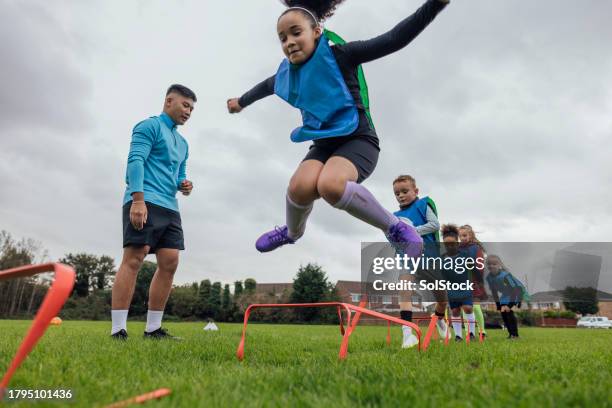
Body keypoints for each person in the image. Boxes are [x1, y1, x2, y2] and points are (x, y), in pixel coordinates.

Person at [226, 0, 449, 257]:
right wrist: (240, 102)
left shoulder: (341, 55)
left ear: (316, 31)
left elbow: (393, 39)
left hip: (358, 139)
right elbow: (264, 87)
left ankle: (395, 227)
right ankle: (291, 232)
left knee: (330, 185)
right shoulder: (287, 75)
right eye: (283, 38)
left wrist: (434, 6)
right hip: (324, 144)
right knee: (299, 186)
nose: (289, 42)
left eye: (296, 33)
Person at [110, 84, 196, 340]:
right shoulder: (148, 126)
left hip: (170, 207)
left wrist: (185, 184)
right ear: (169, 101)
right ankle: (118, 329)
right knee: (134, 259)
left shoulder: (183, 143)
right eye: (184, 105)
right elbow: (135, 161)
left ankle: (153, 329)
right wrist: (138, 200)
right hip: (143, 200)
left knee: (170, 262)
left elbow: (179, 175)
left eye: (191, 108)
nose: (188, 112)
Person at [392, 175, 447, 348]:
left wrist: (412, 231)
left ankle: (439, 319)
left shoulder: (423, 204)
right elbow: (393, 238)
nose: (401, 195)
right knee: (404, 289)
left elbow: (434, 224)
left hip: (430, 257)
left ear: (416, 191)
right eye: (397, 193)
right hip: (408, 258)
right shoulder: (394, 217)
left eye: (405, 191)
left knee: (442, 298)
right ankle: (407, 336)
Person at [442, 224, 477, 342]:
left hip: (465, 286)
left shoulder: (465, 255)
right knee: (455, 311)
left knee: (467, 308)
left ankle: (471, 333)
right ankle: (458, 336)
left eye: (452, 243)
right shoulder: (442, 258)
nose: (449, 246)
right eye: (447, 244)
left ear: (457, 243)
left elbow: (473, 269)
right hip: (451, 289)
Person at [486, 254, 529, 339]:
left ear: (500, 265)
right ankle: (510, 334)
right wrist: (498, 305)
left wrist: (512, 304)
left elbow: (516, 290)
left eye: (494, 264)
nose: (491, 266)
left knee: (508, 312)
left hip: (517, 292)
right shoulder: (489, 277)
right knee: (503, 313)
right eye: (489, 264)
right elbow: (494, 292)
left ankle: (515, 335)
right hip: (506, 294)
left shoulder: (505, 275)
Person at [458, 224, 488, 338]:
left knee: (475, 307)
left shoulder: (476, 248)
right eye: (460, 236)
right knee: (466, 308)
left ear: (470, 235)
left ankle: (482, 331)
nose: (462, 238)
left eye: (464, 235)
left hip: (474, 282)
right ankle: (469, 333)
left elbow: (480, 266)